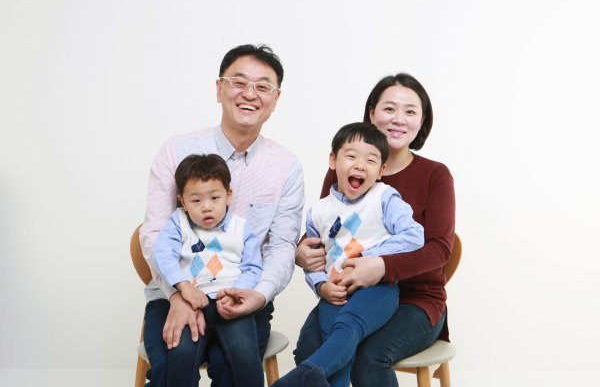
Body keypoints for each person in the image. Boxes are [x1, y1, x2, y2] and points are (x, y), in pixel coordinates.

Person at [139, 44, 304, 386]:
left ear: (275, 98)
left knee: (235, 369)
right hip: (175, 293)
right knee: (173, 366)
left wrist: (257, 295)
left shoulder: (286, 166)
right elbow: (154, 235)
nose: (250, 94)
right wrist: (178, 294)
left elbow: (282, 246)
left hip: (243, 295)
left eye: (262, 87)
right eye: (238, 82)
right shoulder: (177, 150)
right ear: (219, 89)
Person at [293, 73, 455, 387]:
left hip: (416, 300)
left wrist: (381, 266)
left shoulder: (435, 175)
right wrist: (302, 250)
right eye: (389, 108)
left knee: (368, 356)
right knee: (310, 350)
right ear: (371, 113)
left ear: (422, 121)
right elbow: (327, 226)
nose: (399, 119)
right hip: (351, 292)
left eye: (410, 111)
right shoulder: (346, 167)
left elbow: (439, 249)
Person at [275, 122, 424, 387]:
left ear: (381, 171)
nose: (360, 165)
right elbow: (313, 262)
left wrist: (370, 257)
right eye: (352, 156)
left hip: (377, 289)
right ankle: (308, 375)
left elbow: (414, 235)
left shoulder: (384, 197)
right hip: (336, 292)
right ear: (333, 160)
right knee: (322, 342)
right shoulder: (318, 211)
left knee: (347, 327)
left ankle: (298, 379)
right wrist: (321, 286)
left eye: (371, 160)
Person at [151, 153, 263, 385]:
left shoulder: (242, 228)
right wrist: (184, 288)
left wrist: (236, 294)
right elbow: (162, 254)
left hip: (230, 303)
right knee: (180, 354)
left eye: (214, 197)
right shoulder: (178, 222)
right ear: (182, 201)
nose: (207, 207)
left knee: (245, 356)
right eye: (196, 201)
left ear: (228, 195)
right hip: (191, 302)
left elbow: (253, 268)